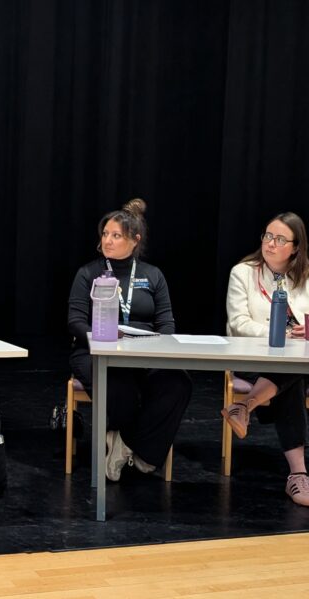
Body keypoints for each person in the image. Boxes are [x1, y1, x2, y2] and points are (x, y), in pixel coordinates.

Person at [67, 198, 192, 481]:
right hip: (95, 350)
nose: (108, 241)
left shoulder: (153, 275)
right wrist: (100, 338)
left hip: (144, 350)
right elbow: (75, 321)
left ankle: (134, 447)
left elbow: (167, 323)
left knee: (178, 383)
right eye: (105, 234)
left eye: (116, 235)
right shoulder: (88, 273)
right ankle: (134, 444)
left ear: (135, 241)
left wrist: (158, 345)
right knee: (120, 385)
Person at [224, 211, 309, 507]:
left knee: (295, 368)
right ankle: (298, 475)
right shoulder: (243, 272)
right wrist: (280, 334)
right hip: (254, 360)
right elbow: (238, 323)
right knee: (294, 376)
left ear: (296, 247)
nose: (271, 244)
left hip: (304, 362)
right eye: (267, 236)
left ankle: (244, 406)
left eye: (279, 239)